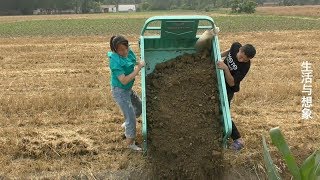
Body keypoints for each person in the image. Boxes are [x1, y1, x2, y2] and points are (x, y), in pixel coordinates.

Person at [107, 35, 145, 151]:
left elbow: (134, 60)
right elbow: (124, 80)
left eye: (125, 48)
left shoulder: (128, 51)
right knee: (131, 118)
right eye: (120, 50)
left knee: (140, 107)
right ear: (115, 50)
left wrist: (140, 63)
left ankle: (126, 124)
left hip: (128, 89)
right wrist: (138, 69)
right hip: (120, 91)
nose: (124, 52)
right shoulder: (115, 61)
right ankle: (130, 143)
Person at [217, 42, 256, 151]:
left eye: (245, 60)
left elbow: (232, 83)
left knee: (223, 112)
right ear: (240, 50)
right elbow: (229, 51)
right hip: (219, 80)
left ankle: (238, 139)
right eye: (241, 57)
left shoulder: (245, 66)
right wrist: (218, 54)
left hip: (228, 89)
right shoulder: (235, 46)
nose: (242, 60)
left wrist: (225, 68)